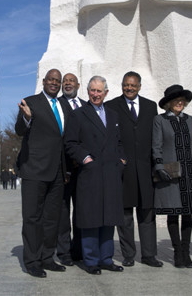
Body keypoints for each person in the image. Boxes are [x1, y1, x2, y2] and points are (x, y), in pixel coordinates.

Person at [64, 76, 126, 275]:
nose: (96, 94)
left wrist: (122, 161)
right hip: (90, 173)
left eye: (99, 91)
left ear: (106, 92)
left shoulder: (114, 115)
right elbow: (71, 143)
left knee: (109, 218)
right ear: (88, 91)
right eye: (93, 90)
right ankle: (91, 260)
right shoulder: (78, 114)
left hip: (111, 173)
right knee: (90, 218)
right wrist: (85, 159)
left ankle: (106, 258)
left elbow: (119, 143)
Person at [15, 69, 71, 278]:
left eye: (58, 80)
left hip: (58, 171)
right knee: (32, 218)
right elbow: (20, 130)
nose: (55, 83)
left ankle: (48, 258)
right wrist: (26, 118)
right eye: (51, 80)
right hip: (34, 170)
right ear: (44, 81)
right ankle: (32, 261)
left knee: (51, 218)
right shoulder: (30, 102)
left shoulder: (64, 105)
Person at [106, 71, 162, 268]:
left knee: (147, 214)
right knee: (125, 215)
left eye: (133, 85)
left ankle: (149, 255)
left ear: (139, 86)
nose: (129, 88)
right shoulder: (111, 106)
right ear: (122, 85)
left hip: (146, 169)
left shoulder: (150, 106)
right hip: (123, 170)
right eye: (125, 85)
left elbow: (156, 137)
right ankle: (128, 254)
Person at [152, 85, 192, 268]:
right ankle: (177, 251)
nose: (180, 103)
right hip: (171, 171)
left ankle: (186, 252)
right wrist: (159, 166)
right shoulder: (160, 120)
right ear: (169, 103)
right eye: (176, 100)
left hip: (189, 172)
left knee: (188, 214)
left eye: (182, 100)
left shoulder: (189, 119)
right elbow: (156, 145)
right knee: (173, 213)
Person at [56, 73, 86, 266]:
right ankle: (64, 251)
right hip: (63, 167)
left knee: (82, 210)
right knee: (63, 211)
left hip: (83, 168)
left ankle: (79, 249)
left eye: (71, 81)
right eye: (65, 81)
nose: (67, 83)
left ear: (78, 84)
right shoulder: (56, 104)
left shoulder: (86, 104)